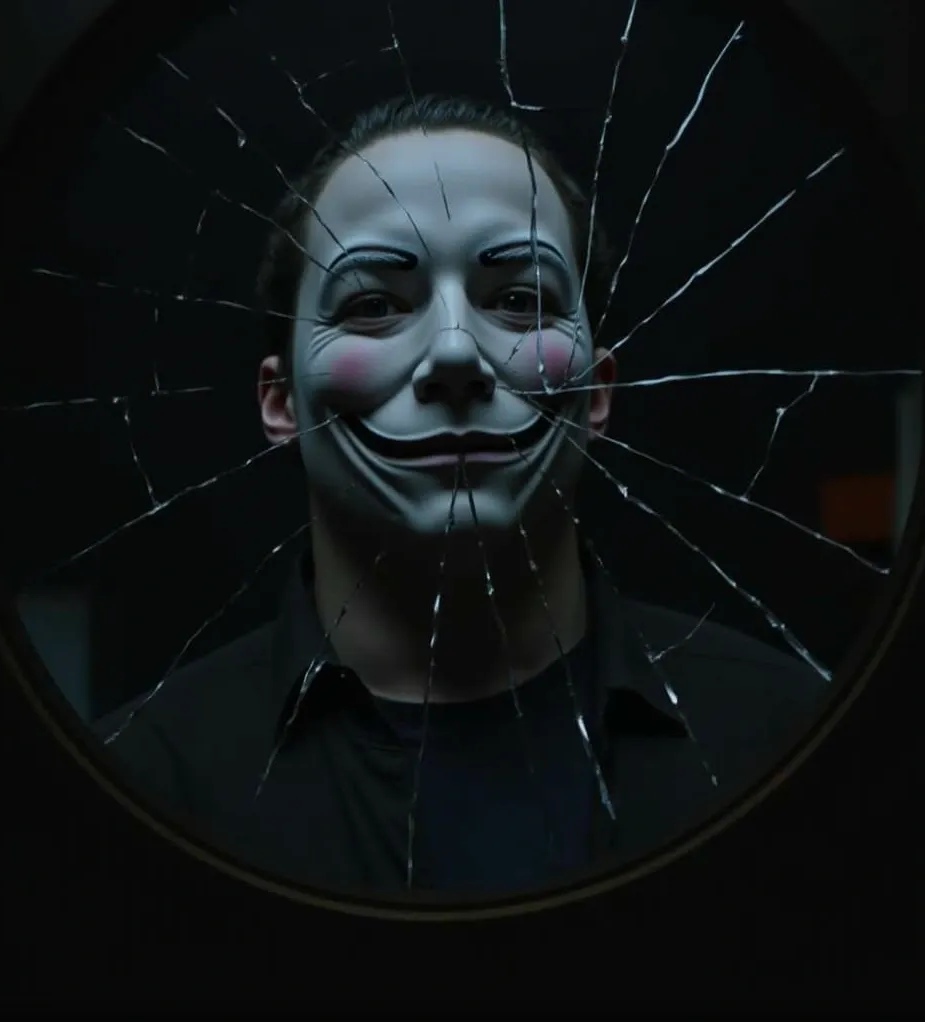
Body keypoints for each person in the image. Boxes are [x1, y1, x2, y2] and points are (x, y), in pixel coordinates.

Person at [95, 94, 828, 895]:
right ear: (281, 402)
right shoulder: (134, 788)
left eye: (519, 300)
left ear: (596, 392)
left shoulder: (795, 740)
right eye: (374, 305)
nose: (454, 353)